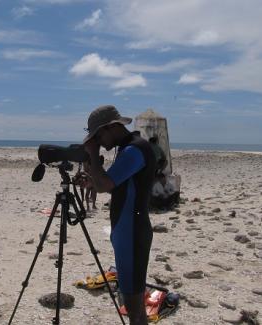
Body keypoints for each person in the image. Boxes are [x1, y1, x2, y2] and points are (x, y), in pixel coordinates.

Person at [79, 105, 156, 325]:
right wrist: (91, 177)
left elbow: (105, 185)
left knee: (133, 307)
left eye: (98, 136)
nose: (99, 142)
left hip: (131, 233)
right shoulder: (129, 149)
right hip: (127, 231)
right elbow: (115, 186)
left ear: (112, 127)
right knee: (132, 302)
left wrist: (93, 154)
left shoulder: (134, 150)